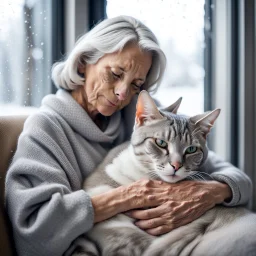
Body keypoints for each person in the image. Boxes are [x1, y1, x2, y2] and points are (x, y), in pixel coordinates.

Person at [5, 15, 252, 256]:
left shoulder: (141, 114)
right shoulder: (45, 128)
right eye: (114, 74)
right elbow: (34, 232)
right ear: (83, 63)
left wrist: (212, 191)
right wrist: (128, 196)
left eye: (136, 84)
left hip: (177, 240)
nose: (123, 93)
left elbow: (238, 179)